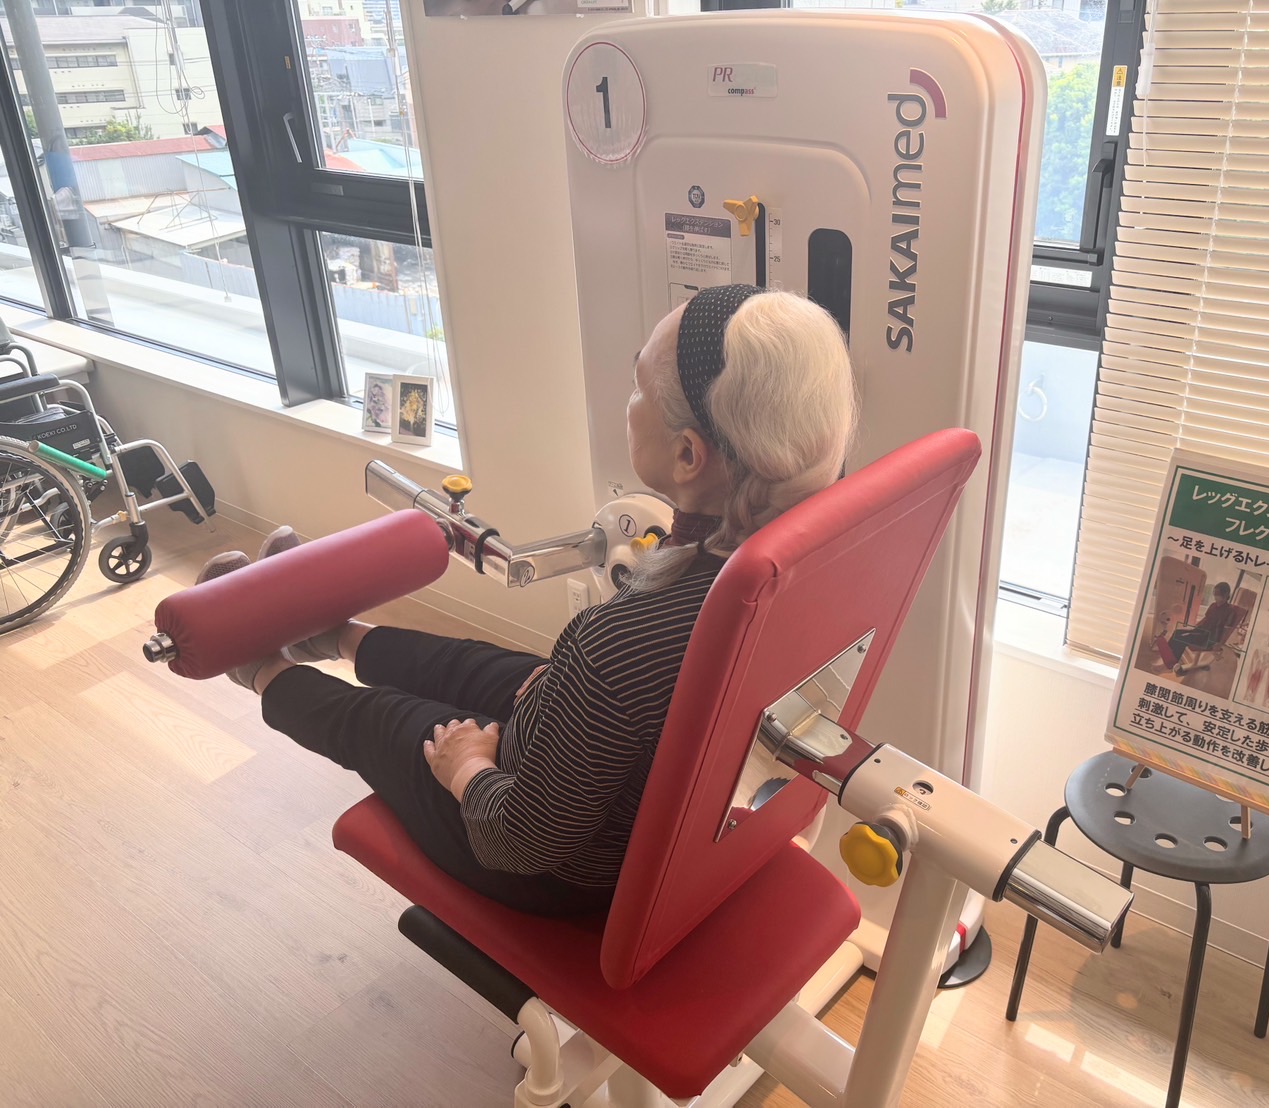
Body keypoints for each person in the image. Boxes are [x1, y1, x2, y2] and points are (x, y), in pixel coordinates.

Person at [193, 285, 858, 917]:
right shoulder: (824, 563)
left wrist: (467, 768)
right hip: (641, 791)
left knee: (387, 719)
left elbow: (518, 842)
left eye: (638, 386)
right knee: (473, 666)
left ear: (689, 456)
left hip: (558, 870)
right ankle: (328, 632)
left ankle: (257, 663)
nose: (629, 402)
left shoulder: (616, 646)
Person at [1160, 581, 1237, 672]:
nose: (1215, 596)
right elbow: (1206, 618)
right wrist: (1194, 628)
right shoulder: (1213, 605)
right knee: (1177, 632)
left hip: (1210, 638)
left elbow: (1227, 630)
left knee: (1182, 639)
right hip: (1201, 631)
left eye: (1218, 594)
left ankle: (1172, 664)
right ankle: (1168, 657)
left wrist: (1219, 644)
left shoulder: (1230, 611)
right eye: (1215, 594)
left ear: (1226, 594)